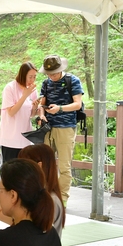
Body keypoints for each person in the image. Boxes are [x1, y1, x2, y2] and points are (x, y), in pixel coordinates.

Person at [38, 54, 84, 206]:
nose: (52, 76)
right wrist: (42, 114)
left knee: (64, 165)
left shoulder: (73, 81)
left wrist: (60, 109)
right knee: (45, 163)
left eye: (54, 73)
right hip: (48, 128)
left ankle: (62, 197)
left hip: (66, 127)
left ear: (61, 69)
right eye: (49, 74)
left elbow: (77, 104)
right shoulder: (45, 83)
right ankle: (45, 194)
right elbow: (42, 102)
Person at [0, 62, 40, 163]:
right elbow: (11, 112)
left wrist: (35, 107)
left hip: (26, 138)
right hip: (10, 139)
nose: (32, 80)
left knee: (25, 171)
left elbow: (31, 115)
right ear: (22, 75)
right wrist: (24, 95)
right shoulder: (10, 88)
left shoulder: (32, 90)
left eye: (34, 77)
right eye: (30, 77)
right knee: (10, 171)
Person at [18, 144, 65, 236]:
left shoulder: (51, 200)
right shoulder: (37, 195)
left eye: (23, 166)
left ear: (38, 166)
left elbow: (34, 234)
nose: (19, 170)